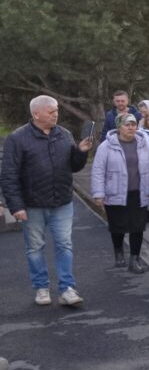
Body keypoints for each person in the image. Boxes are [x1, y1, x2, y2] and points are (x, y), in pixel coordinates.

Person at [0, 95, 93, 307]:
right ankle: (41, 287)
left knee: (64, 244)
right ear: (36, 114)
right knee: (34, 247)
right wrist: (15, 206)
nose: (56, 115)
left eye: (57, 111)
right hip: (32, 204)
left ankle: (67, 288)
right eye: (51, 112)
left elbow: (73, 166)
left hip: (62, 201)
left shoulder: (64, 134)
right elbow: (8, 175)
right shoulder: (18, 138)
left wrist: (80, 152)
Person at [91, 113, 149, 274]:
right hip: (115, 192)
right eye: (127, 125)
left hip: (139, 192)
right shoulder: (106, 146)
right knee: (118, 226)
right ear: (119, 127)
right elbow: (98, 170)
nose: (131, 128)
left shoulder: (144, 144)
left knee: (138, 227)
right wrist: (98, 193)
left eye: (133, 124)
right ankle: (119, 253)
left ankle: (135, 260)